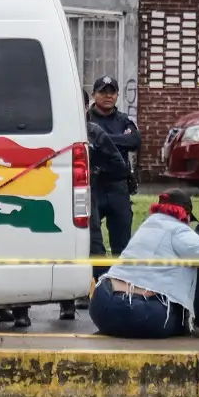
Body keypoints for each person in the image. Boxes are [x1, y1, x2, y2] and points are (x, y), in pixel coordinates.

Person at [89, 189, 199, 339]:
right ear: (186, 216)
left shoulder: (147, 226)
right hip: (139, 314)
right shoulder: (179, 230)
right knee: (181, 322)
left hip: (101, 305)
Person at [59, 91, 131, 321]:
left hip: (86, 194)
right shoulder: (53, 130)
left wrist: (96, 171)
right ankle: (66, 301)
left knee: (93, 244)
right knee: (60, 249)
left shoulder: (93, 132)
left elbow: (118, 165)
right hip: (55, 196)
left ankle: (102, 295)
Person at [87, 76, 140, 260]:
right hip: (94, 186)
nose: (108, 96)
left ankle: (120, 282)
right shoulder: (85, 119)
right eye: (103, 92)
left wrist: (102, 138)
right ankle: (98, 280)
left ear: (117, 95)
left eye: (112, 92)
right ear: (94, 95)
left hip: (119, 187)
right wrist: (118, 138)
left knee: (122, 245)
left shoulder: (124, 120)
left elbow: (134, 141)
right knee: (93, 244)